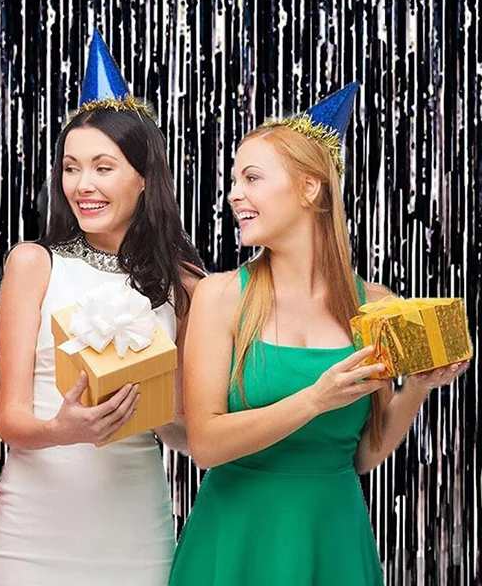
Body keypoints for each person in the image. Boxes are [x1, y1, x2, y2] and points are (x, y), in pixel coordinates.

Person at [169, 83, 470, 585]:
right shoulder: (219, 297)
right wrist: (315, 399)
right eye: (233, 180)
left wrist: (418, 387)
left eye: (251, 178)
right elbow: (205, 445)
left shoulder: (376, 306)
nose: (234, 194)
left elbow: (365, 454)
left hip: (333, 539)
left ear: (310, 188)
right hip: (237, 539)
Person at [0, 30, 205, 586]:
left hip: (134, 529)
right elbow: (10, 421)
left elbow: (186, 431)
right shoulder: (33, 263)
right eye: (70, 167)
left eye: (103, 167)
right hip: (32, 532)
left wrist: (161, 413)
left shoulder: (184, 281)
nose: (83, 185)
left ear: (144, 178)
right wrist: (66, 428)